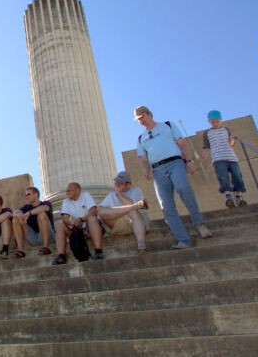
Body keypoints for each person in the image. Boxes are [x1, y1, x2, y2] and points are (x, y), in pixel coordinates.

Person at [135, 105, 212, 249]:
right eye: (138, 120)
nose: (141, 122)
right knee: (166, 205)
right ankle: (183, 240)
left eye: (142, 117)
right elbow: (144, 159)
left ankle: (200, 225)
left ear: (149, 114)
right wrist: (146, 170)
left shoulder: (167, 126)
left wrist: (188, 161)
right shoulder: (141, 138)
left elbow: (183, 144)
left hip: (175, 162)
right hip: (157, 170)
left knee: (183, 188)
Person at [201, 110, 247, 208]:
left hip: (231, 158)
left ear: (220, 120)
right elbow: (207, 148)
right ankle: (229, 198)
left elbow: (230, 144)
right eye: (213, 122)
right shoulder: (207, 133)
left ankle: (239, 198)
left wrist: (232, 138)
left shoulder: (226, 129)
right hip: (218, 159)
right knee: (223, 177)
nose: (215, 124)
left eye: (217, 121)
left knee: (237, 177)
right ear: (209, 121)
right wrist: (203, 158)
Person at [97, 171, 150, 254]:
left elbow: (132, 205)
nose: (117, 184)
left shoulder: (136, 190)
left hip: (135, 223)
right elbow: (99, 210)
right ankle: (135, 206)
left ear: (128, 184)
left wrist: (119, 193)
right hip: (118, 225)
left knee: (132, 211)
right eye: (116, 181)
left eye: (120, 182)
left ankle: (141, 245)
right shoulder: (111, 195)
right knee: (101, 211)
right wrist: (132, 207)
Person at [52, 182, 105, 265]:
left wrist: (81, 219)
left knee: (92, 219)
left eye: (69, 190)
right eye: (66, 191)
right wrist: (70, 222)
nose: (67, 192)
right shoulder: (66, 201)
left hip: (89, 225)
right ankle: (61, 256)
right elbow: (65, 217)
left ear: (77, 190)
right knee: (60, 226)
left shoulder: (86, 196)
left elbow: (93, 211)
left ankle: (98, 251)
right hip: (77, 229)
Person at [11, 186, 55, 258]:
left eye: (28, 194)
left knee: (42, 214)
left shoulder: (46, 203)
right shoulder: (27, 207)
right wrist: (18, 214)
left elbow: (45, 208)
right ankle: (21, 251)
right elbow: (14, 212)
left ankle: (46, 247)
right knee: (15, 219)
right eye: (26, 195)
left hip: (48, 237)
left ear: (36, 194)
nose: (26, 197)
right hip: (33, 239)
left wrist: (29, 213)